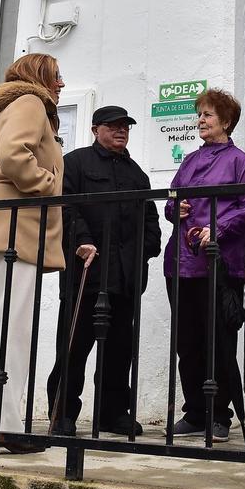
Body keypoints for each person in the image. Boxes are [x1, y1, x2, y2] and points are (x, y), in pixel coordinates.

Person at [0, 53, 66, 455]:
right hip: (15, 224)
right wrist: (46, 183)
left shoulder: (11, 105)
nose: (61, 84)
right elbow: (14, 154)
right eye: (56, 76)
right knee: (11, 327)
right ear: (41, 76)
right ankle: (3, 426)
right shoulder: (31, 102)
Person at [46, 105, 162, 437]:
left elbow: (150, 219)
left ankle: (113, 414)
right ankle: (62, 414)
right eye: (113, 126)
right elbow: (65, 207)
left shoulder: (136, 173)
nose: (120, 131)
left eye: (125, 126)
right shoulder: (77, 163)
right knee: (73, 348)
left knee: (118, 351)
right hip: (86, 273)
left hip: (125, 279)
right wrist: (81, 240)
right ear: (96, 129)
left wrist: (145, 251)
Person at [163, 89, 245, 442]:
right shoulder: (188, 161)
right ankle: (194, 412)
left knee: (218, 342)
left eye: (208, 115)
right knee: (186, 342)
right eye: (199, 114)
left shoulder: (240, 161)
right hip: (180, 263)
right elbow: (171, 201)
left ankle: (220, 415)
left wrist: (216, 229)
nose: (201, 120)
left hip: (219, 265)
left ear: (226, 121)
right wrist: (176, 210)